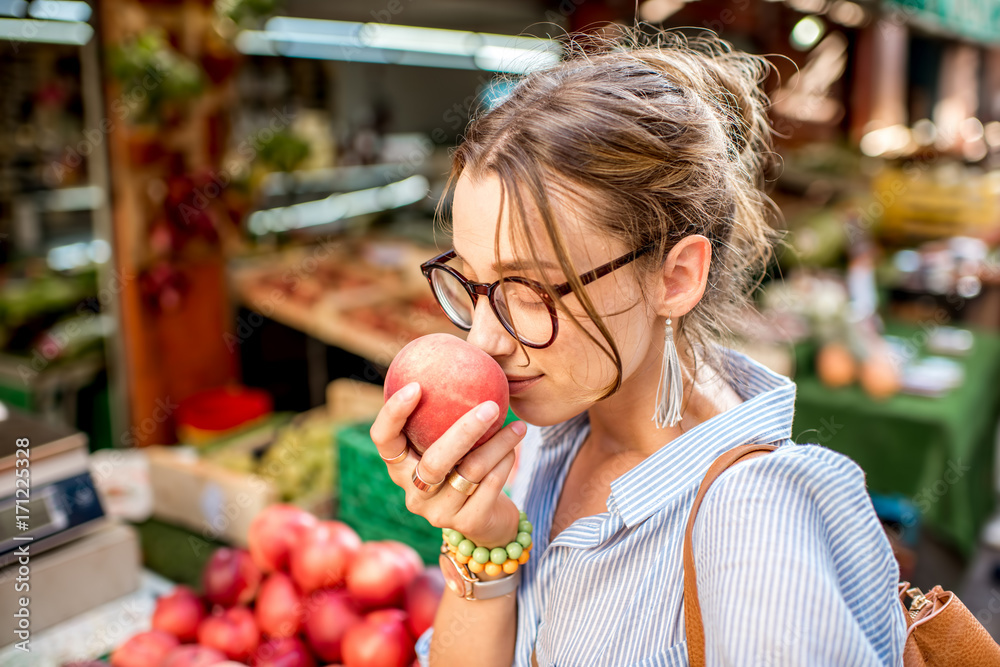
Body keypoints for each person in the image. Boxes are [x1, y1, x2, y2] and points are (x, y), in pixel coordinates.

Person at [370, 29, 906, 667]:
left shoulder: (757, 526)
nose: (483, 340)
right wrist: (483, 543)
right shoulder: (548, 435)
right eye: (473, 282)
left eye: (531, 289)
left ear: (676, 278)